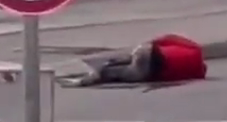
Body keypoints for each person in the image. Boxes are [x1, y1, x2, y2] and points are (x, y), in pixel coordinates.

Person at [64, 34, 207, 87]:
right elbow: (171, 77)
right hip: (152, 71)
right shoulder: (198, 74)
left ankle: (106, 65)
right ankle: (89, 78)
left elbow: (171, 38)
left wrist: (150, 43)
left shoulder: (196, 49)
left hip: (151, 52)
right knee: (118, 74)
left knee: (127, 59)